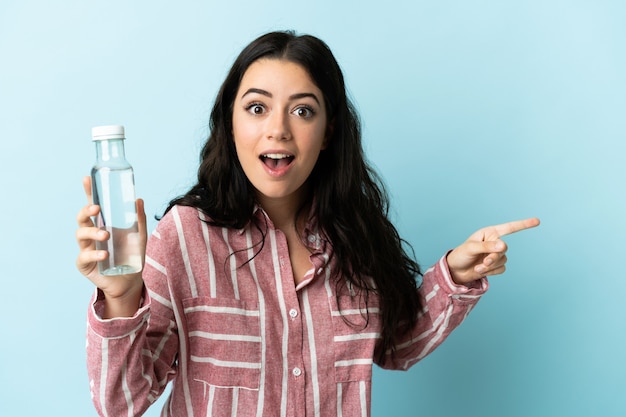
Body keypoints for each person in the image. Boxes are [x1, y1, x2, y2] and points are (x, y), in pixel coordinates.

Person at [76, 30, 539, 417]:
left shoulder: (354, 233)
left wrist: (457, 274)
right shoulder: (184, 236)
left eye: (302, 110)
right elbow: (122, 402)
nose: (278, 129)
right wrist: (119, 296)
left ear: (328, 131)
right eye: (257, 108)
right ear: (231, 123)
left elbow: (395, 346)